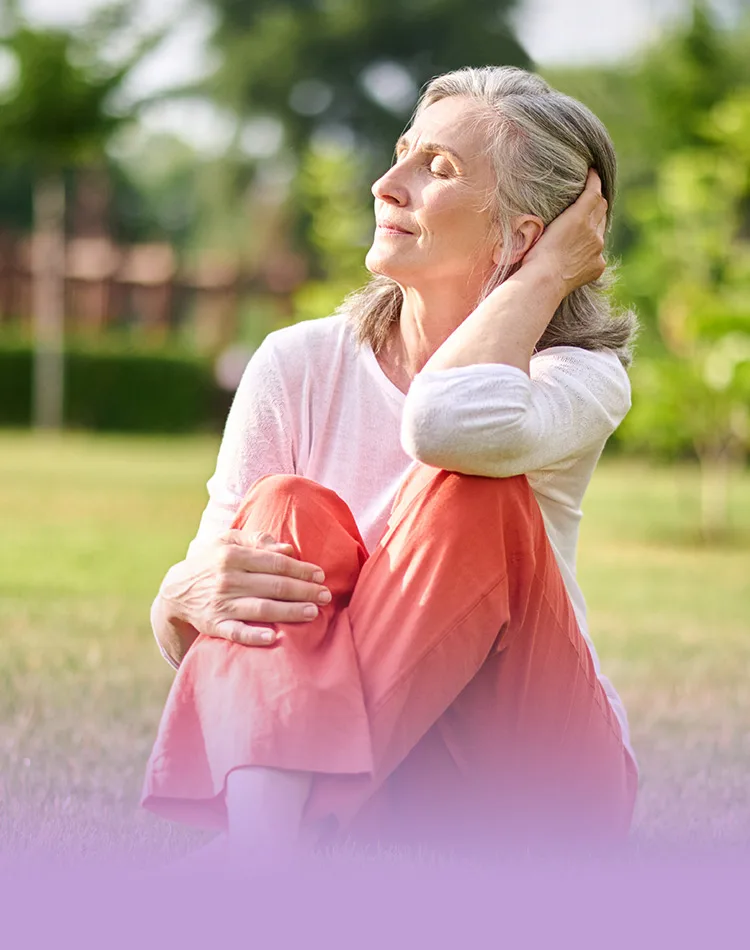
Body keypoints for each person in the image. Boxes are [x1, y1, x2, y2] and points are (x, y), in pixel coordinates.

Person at [141, 66, 639, 864]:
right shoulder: (296, 364)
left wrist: (546, 275)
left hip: (535, 778)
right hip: (381, 785)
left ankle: (270, 852)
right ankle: (271, 861)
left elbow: (440, 423)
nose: (385, 183)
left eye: (437, 170)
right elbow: (222, 617)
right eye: (403, 153)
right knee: (281, 512)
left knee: (474, 492)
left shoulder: (575, 376)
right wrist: (175, 599)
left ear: (522, 232)